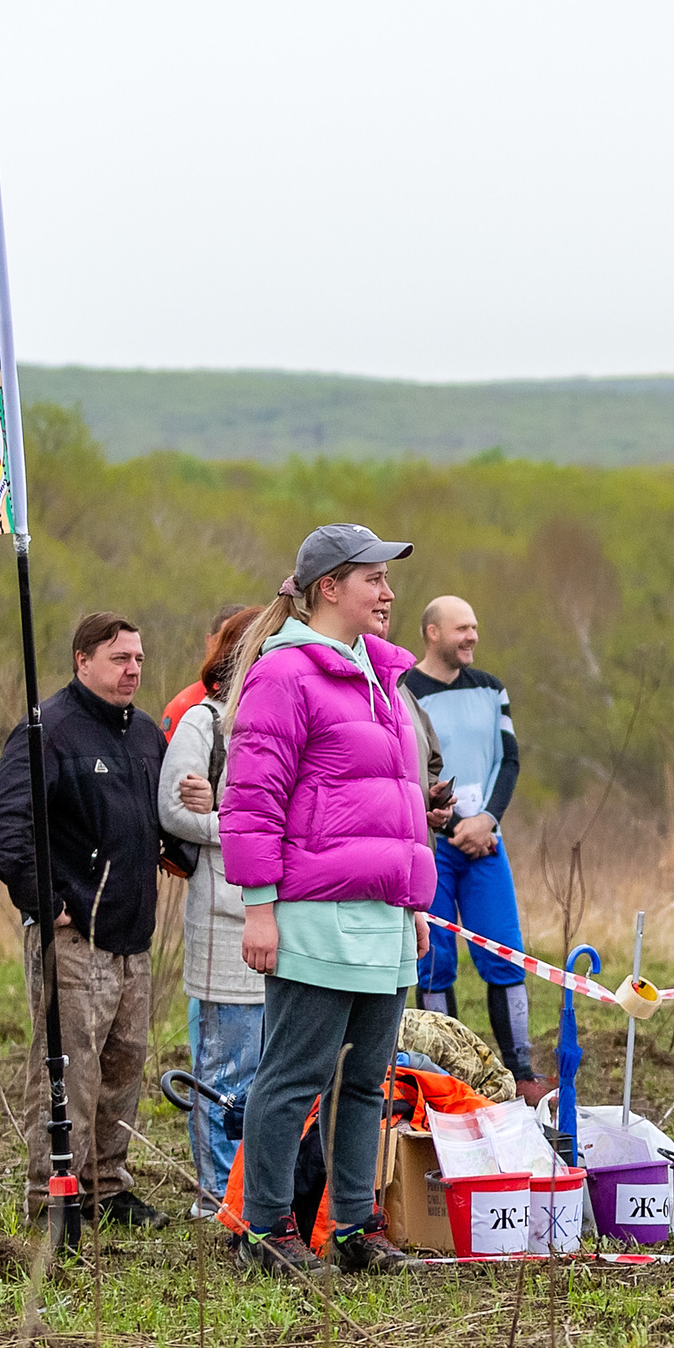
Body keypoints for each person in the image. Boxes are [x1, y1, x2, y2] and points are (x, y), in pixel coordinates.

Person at [220, 523, 434, 1278]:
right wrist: (258, 906)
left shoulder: (381, 675)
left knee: (367, 1081)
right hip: (314, 913)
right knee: (293, 1076)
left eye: (387, 578)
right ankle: (266, 1229)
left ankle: (354, 1227)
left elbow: (396, 803)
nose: (388, 592)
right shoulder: (285, 675)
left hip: (379, 917)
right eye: (374, 577)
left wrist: (411, 901)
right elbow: (251, 798)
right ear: (329, 587)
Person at [0, 611, 172, 1228]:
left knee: (123, 1067)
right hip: (73, 936)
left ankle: (105, 1189)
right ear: (82, 661)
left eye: (139, 659)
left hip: (132, 936)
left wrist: (189, 820)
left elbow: (162, 823)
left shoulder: (146, 735)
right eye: (120, 659)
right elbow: (5, 825)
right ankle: (53, 1197)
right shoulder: (48, 731)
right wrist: (46, 899)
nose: (133, 670)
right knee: (69, 1069)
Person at [403, 596, 546, 1101]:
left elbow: (509, 762)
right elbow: (414, 765)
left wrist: (486, 821)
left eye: (475, 627)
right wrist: (457, 825)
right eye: (462, 628)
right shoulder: (403, 689)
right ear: (432, 633)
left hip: (487, 844)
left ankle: (521, 1071)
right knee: (434, 960)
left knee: (505, 954)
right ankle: (446, 1075)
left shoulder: (491, 688)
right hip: (433, 842)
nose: (472, 637)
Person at [158, 604, 267, 1217]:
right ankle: (214, 1198)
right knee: (224, 1072)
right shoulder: (205, 723)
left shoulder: (281, 721)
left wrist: (227, 813)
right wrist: (243, 826)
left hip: (283, 921)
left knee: (269, 1074)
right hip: (223, 922)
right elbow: (174, 811)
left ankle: (255, 1195)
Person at [162, 604, 249, 741]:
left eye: (242, 639)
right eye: (225, 639)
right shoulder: (184, 703)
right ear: (210, 641)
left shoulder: (266, 697)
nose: (234, 647)